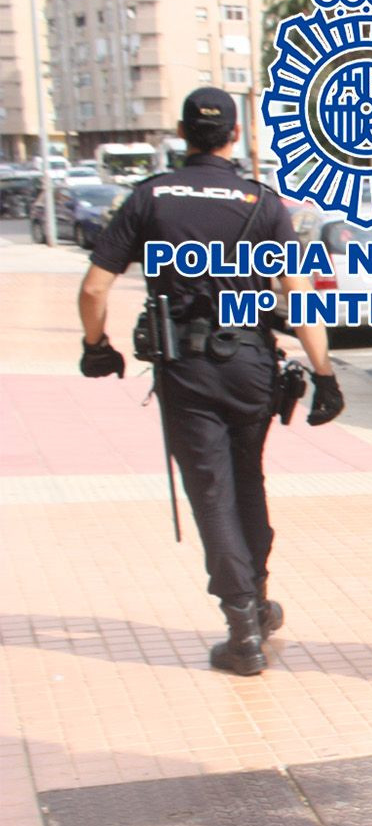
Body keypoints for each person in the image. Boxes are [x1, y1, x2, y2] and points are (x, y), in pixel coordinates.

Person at [76, 86, 343, 676]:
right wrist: (324, 376)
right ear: (235, 136)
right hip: (251, 364)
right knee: (248, 481)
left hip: (188, 369)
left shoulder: (150, 197)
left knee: (213, 493)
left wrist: (97, 347)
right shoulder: (263, 202)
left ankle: (242, 624)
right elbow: (297, 298)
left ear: (182, 133)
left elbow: (95, 288)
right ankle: (259, 596)